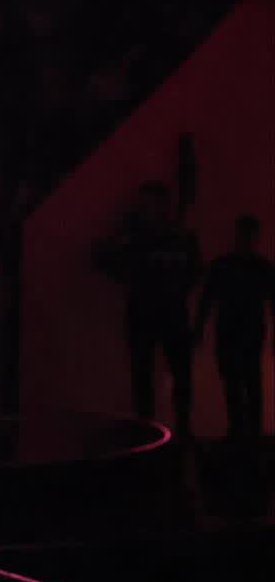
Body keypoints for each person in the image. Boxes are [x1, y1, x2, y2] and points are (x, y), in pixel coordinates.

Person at [96, 179, 202, 438]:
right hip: (150, 310)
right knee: (147, 374)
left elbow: (195, 269)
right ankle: (153, 431)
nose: (146, 208)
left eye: (150, 203)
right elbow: (104, 260)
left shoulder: (176, 236)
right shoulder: (137, 236)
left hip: (165, 310)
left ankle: (173, 430)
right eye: (144, 203)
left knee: (176, 374)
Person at [197, 215, 275, 448]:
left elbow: (207, 300)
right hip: (243, 330)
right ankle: (249, 433)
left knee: (240, 381)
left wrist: (199, 328)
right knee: (245, 382)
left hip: (235, 330)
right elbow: (207, 299)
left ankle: (240, 432)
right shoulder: (261, 267)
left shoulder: (225, 265)